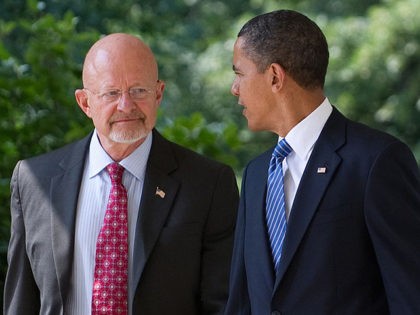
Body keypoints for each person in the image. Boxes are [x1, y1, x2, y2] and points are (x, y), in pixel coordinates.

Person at [4, 33, 239, 315]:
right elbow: (21, 302)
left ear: (159, 93)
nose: (126, 106)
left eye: (139, 91)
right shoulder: (35, 180)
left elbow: (223, 305)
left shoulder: (208, 184)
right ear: (85, 103)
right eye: (111, 93)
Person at [224, 9, 420, 315]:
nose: (234, 88)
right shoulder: (255, 174)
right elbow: (240, 301)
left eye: (239, 73)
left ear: (275, 76)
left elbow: (410, 296)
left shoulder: (377, 161)